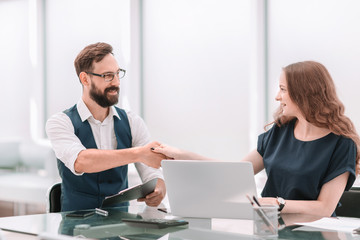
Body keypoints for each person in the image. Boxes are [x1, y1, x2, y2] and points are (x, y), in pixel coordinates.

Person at [153, 61, 360, 217]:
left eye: (283, 89)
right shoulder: (280, 131)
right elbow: (233, 172)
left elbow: (325, 207)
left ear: (304, 93)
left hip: (313, 232)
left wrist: (276, 203)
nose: (277, 97)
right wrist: (182, 155)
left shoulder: (341, 144)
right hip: (269, 226)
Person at [46, 42, 166, 211]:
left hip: (120, 225)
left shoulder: (132, 122)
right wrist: (138, 153)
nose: (116, 82)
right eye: (108, 76)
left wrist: (158, 187)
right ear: (85, 79)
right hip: (75, 228)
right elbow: (82, 161)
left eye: (118, 74)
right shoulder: (60, 122)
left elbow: (151, 171)